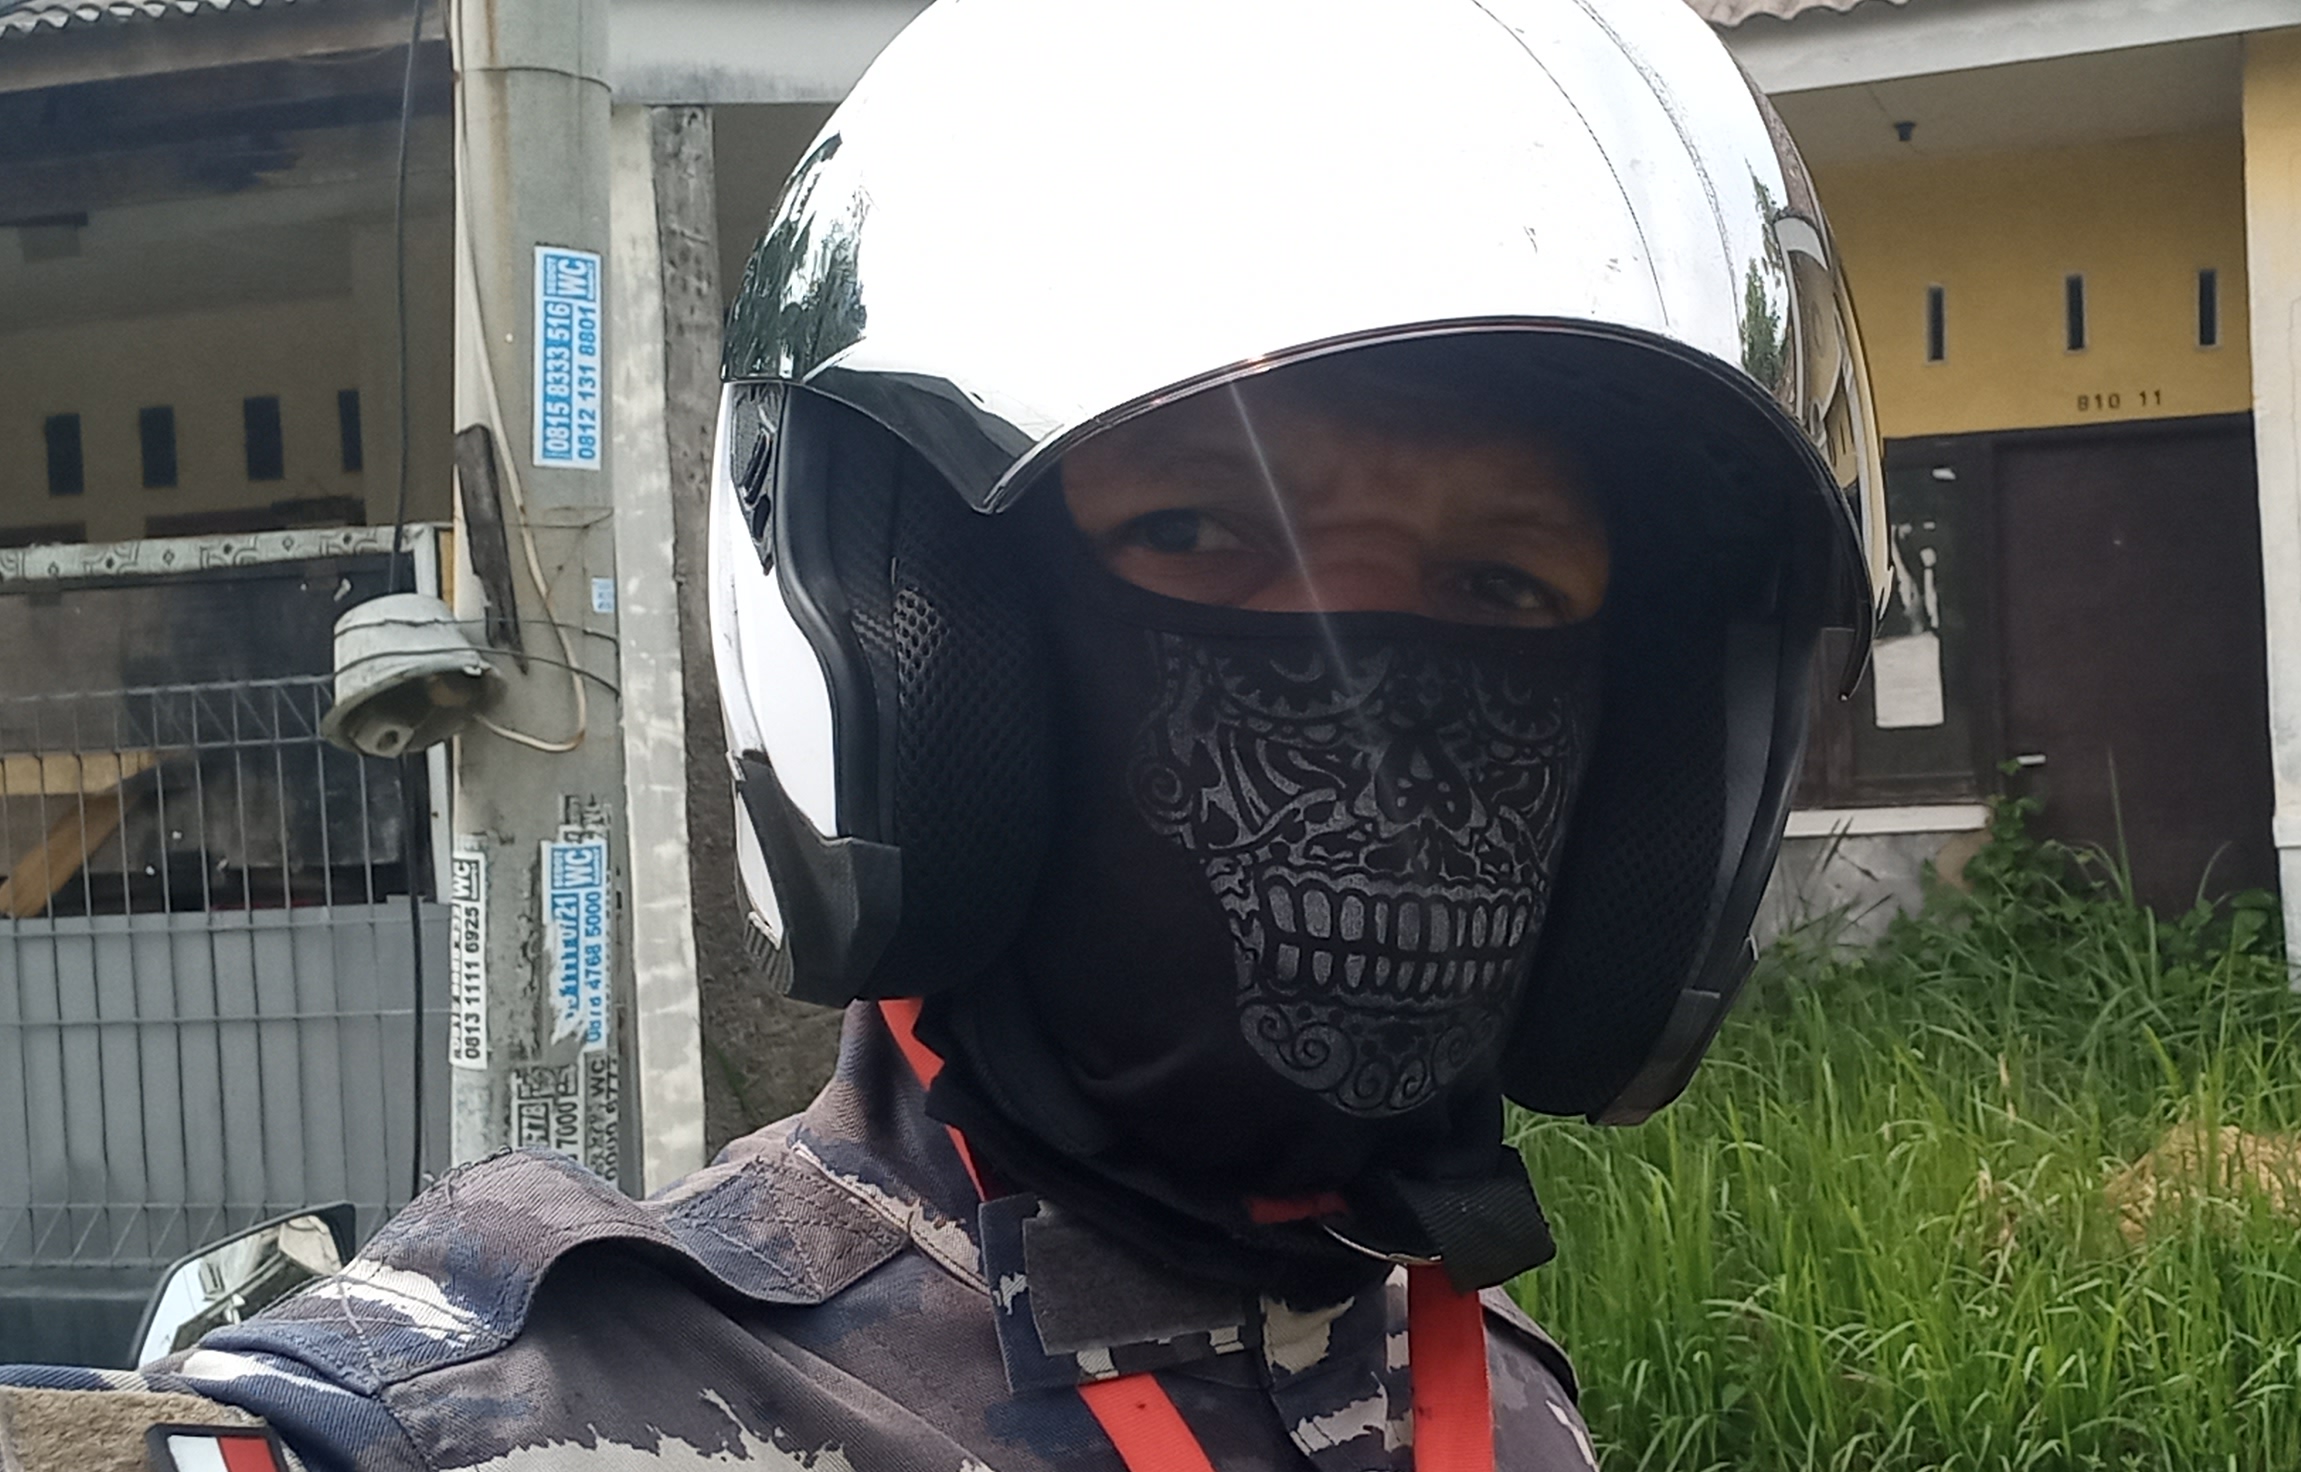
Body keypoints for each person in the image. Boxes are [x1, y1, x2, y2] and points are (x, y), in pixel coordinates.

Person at [0, 0, 1882, 1466]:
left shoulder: (1500, 1401)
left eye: (1497, 586)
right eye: (1198, 536)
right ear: (916, 658)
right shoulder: (559, 1403)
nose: (1372, 722)